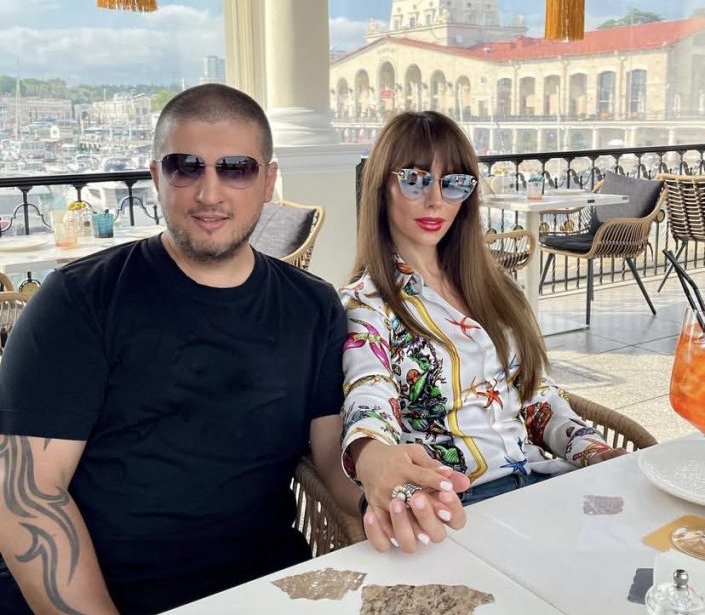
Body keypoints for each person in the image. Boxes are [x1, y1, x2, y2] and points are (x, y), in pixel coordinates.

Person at [0, 83, 441, 615]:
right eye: (185, 167)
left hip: (270, 588)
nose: (210, 193)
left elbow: (329, 457)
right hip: (110, 595)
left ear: (269, 181)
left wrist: (380, 479)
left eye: (236, 169)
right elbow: (28, 496)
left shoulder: (313, 306)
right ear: (156, 176)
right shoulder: (79, 300)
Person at [341, 111, 625, 540]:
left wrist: (593, 450)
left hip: (543, 484)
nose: (436, 200)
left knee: (642, 543)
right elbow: (368, 395)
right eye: (415, 180)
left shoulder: (495, 288)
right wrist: (371, 454)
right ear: (382, 187)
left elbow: (536, 397)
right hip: (460, 507)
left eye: (454, 183)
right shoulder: (367, 304)